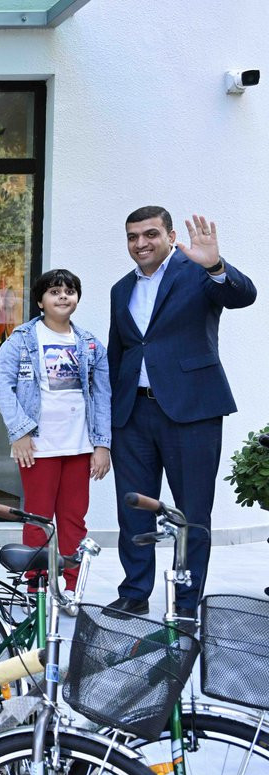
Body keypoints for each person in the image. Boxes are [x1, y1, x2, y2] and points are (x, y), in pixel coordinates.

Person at [107, 208, 256, 617]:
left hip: (192, 412)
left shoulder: (198, 273)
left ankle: (186, 601)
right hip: (132, 413)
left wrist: (216, 266)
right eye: (133, 236)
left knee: (192, 512)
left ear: (171, 236)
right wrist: (109, 417)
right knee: (133, 509)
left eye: (150, 234)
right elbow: (118, 352)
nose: (141, 243)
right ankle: (135, 591)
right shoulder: (121, 289)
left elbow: (243, 295)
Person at [0, 269, 111, 592]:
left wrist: (102, 445)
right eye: (54, 292)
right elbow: (0, 385)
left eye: (69, 291)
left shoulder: (90, 344)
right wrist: (20, 432)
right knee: (38, 518)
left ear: (77, 298)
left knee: (73, 520)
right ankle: (38, 587)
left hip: (79, 446)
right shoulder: (22, 339)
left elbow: (102, 395)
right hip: (37, 446)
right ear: (40, 301)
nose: (63, 297)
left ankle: (72, 587)